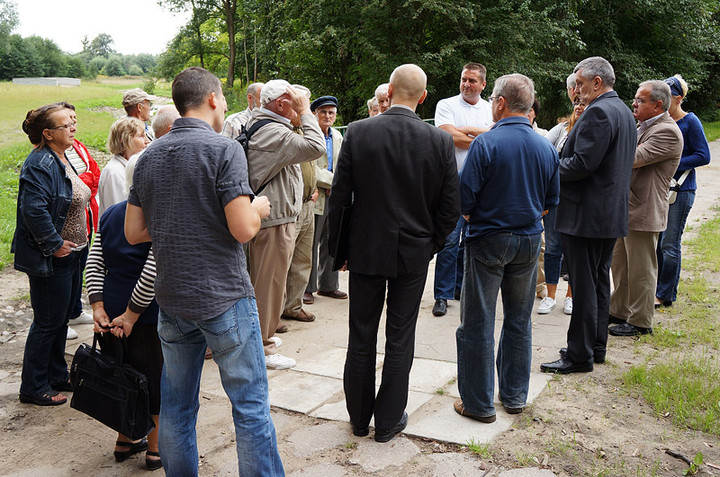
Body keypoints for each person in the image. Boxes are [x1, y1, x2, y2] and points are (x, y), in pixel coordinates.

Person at [125, 66, 282, 475]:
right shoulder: (224, 149)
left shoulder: (148, 156)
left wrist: (177, 220)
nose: (226, 105)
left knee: (176, 407)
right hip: (224, 298)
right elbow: (243, 228)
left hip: (172, 300)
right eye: (224, 99)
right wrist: (259, 208)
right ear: (212, 99)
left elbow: (134, 231)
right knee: (249, 406)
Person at [328, 64, 459, 443]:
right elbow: (451, 206)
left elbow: (339, 198)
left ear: (390, 90)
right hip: (413, 252)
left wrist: (339, 252)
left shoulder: (359, 131)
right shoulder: (438, 141)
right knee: (401, 336)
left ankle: (358, 418)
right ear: (423, 96)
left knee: (361, 333)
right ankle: (386, 422)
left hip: (366, 248)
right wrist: (431, 244)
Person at [454, 74, 559, 423]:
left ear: (499, 102)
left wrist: (478, 214)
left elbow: (464, 198)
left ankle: (478, 404)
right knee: (519, 320)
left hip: (488, 238)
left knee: (477, 322)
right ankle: (514, 397)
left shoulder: (486, 143)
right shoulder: (545, 145)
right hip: (529, 239)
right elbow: (550, 201)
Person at [540, 56, 636, 374]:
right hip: (606, 214)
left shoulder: (598, 111)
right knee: (596, 281)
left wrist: (547, 165)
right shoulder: (622, 109)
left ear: (597, 82)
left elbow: (582, 164)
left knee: (583, 285)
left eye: (579, 84)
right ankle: (596, 345)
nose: (576, 90)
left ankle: (579, 355)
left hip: (586, 215)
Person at [13, 102, 91, 406]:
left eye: (73, 122)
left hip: (72, 254)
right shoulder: (40, 163)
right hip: (53, 257)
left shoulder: (62, 156)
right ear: (47, 133)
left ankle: (57, 374)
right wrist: (55, 244)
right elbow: (33, 210)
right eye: (65, 125)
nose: (72, 127)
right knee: (47, 322)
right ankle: (33, 387)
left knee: (59, 320)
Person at [245, 80, 325, 369]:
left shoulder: (267, 127)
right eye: (299, 101)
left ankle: (261, 335)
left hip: (275, 216)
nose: (303, 107)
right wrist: (306, 113)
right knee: (269, 282)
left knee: (267, 281)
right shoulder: (273, 131)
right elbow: (316, 146)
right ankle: (263, 346)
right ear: (281, 104)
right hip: (274, 220)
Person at [86, 196, 163, 471]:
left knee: (122, 375)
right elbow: (153, 271)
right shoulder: (157, 214)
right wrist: (133, 312)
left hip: (111, 308)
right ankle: (154, 449)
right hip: (144, 313)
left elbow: (94, 262)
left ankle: (124, 440)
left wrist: (98, 305)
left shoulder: (111, 214)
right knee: (153, 379)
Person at [608, 80, 682, 336]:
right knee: (620, 266)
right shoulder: (642, 126)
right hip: (626, 208)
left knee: (641, 270)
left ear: (657, 105)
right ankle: (618, 311)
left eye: (640, 100)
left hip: (644, 210)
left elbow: (632, 158)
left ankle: (640, 322)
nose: (633, 103)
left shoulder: (667, 131)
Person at [431, 62, 493, 317]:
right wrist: (480, 137)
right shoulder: (446, 105)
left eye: (472, 81)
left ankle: (460, 287)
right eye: (464, 79)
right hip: (451, 181)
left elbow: (494, 137)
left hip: (481, 181)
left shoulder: (490, 109)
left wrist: (465, 131)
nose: (467, 84)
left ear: (483, 84)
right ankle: (442, 295)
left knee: (472, 239)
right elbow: (448, 137)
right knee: (448, 239)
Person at [655, 75, 711, 308]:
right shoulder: (661, 122)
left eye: (668, 95)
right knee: (657, 243)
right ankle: (657, 288)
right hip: (660, 190)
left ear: (678, 98)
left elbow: (703, 155)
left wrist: (673, 162)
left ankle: (666, 294)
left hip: (681, 190)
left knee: (670, 243)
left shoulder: (690, 122)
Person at [537, 96, 586, 315]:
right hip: (556, 198)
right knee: (553, 248)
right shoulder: (562, 128)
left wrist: (557, 162)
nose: (579, 106)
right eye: (576, 103)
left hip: (579, 200)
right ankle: (550, 296)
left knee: (573, 250)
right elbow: (544, 152)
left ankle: (571, 297)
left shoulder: (591, 131)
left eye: (584, 103)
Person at [62, 104, 101, 337]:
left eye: (75, 119)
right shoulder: (52, 151)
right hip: (68, 221)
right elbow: (69, 182)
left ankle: (75, 311)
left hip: (84, 216)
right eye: (68, 121)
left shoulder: (77, 146)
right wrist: (84, 181)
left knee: (80, 265)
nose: (74, 125)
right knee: (65, 272)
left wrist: (84, 182)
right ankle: (62, 319)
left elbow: (94, 172)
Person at [304, 95, 347, 305]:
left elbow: (342, 165)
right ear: (315, 114)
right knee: (310, 243)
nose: (328, 116)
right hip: (315, 195)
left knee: (332, 241)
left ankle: (329, 286)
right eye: (323, 112)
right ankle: (308, 288)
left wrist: (338, 186)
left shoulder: (338, 136)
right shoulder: (309, 135)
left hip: (334, 197)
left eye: (331, 112)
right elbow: (311, 167)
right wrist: (335, 183)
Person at [98, 117, 149, 217]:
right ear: (124, 139)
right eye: (141, 136)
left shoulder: (130, 166)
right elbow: (118, 213)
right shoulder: (114, 172)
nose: (147, 141)